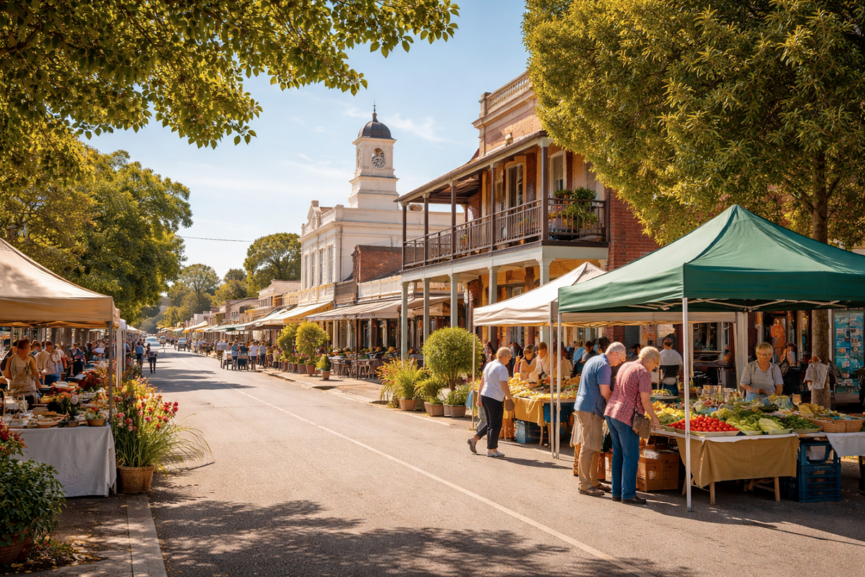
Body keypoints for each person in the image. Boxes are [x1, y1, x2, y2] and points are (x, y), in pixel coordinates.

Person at [605, 346, 661, 505]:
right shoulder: (643, 372)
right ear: (650, 360)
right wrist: (654, 418)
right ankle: (628, 494)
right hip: (626, 416)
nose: (654, 367)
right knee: (631, 456)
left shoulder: (625, 365)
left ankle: (617, 492)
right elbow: (645, 400)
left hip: (612, 412)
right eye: (655, 364)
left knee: (618, 455)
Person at [572, 341, 626, 496]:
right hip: (591, 408)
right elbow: (605, 391)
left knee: (595, 446)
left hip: (588, 407)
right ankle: (584, 483)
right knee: (589, 446)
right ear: (614, 353)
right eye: (620, 358)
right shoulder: (604, 365)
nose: (620, 362)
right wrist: (616, 407)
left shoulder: (594, 359)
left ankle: (593, 480)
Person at [467, 347, 514, 458]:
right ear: (505, 356)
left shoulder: (490, 364)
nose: (510, 359)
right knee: (496, 424)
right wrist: (509, 397)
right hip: (495, 397)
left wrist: (479, 396)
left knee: (491, 423)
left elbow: (483, 380)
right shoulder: (502, 368)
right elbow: (504, 385)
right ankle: (492, 449)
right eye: (509, 357)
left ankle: (475, 439)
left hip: (485, 395)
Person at [3, 338, 40, 406]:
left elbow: (7, 376)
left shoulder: (11, 359)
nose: (30, 348)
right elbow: (36, 375)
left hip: (15, 393)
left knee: (16, 414)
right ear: (24, 348)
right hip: (29, 392)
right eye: (29, 346)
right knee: (30, 414)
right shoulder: (31, 358)